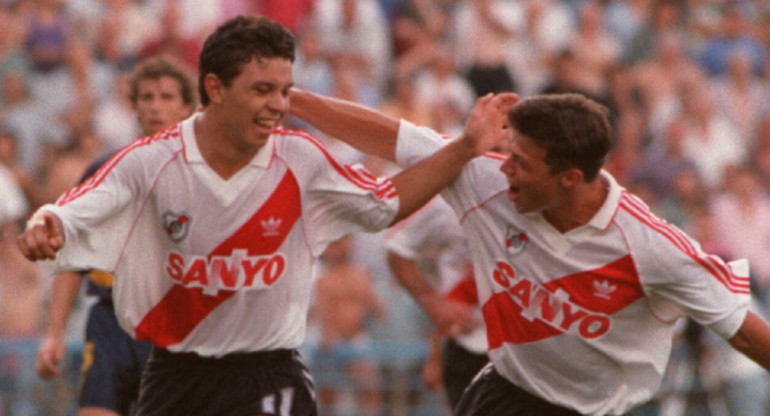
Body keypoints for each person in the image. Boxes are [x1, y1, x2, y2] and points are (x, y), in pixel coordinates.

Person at [16, 15, 514, 416]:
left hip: (267, 373)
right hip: (173, 375)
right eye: (261, 90)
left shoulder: (302, 159)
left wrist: (466, 147)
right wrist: (47, 226)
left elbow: (384, 203)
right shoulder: (151, 160)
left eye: (285, 90)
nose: (278, 105)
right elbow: (74, 209)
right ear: (214, 87)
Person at [287, 89, 770, 415]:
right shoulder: (485, 180)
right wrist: (290, 98)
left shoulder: (651, 247)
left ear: (571, 178)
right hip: (504, 396)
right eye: (508, 154)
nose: (505, 171)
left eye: (521, 163)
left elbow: (745, 334)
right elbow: (389, 136)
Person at [33, 56, 197, 416]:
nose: (156, 106)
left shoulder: (202, 176)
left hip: (175, 326)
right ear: (134, 104)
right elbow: (72, 257)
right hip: (111, 321)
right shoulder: (104, 170)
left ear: (187, 106)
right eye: (147, 97)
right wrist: (54, 333)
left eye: (167, 97)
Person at [384, 196, 488, 410]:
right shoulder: (449, 204)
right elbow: (397, 248)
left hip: (530, 347)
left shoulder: (539, 198)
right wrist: (433, 304)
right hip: (468, 342)